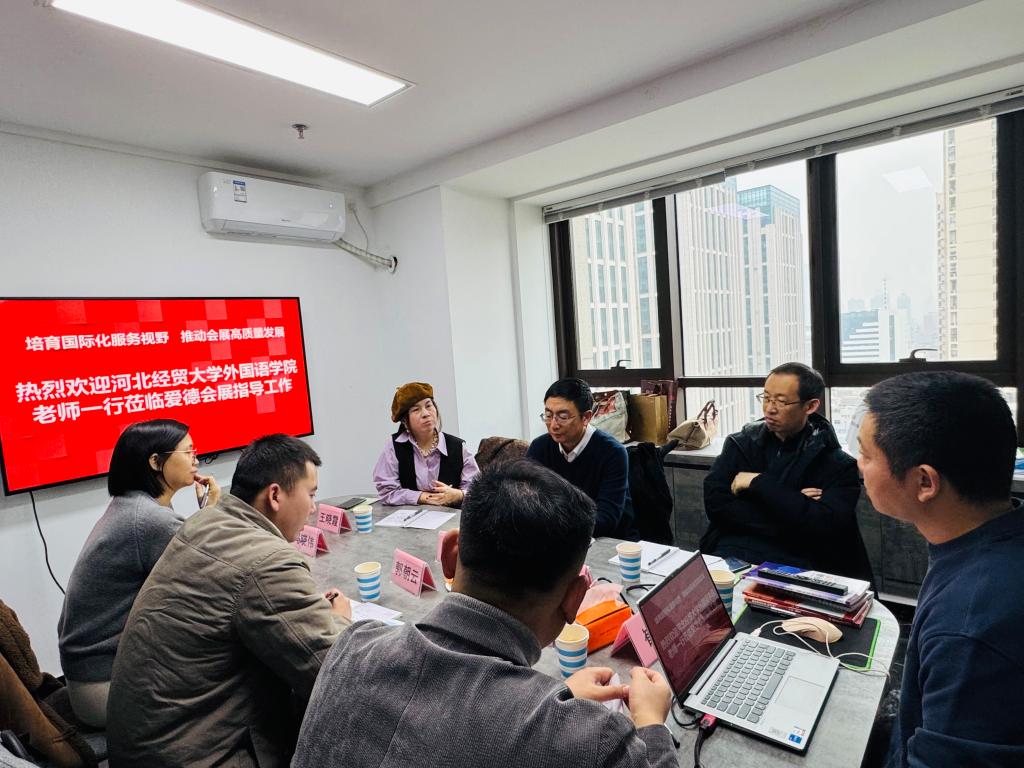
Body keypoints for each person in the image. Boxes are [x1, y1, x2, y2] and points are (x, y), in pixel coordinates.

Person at [293, 460, 678, 768]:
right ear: (575, 599)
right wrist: (651, 724)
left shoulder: (350, 649)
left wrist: (556, 701)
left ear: (449, 555)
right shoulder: (590, 741)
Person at [106, 434, 351, 768]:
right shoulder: (267, 560)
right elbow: (333, 672)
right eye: (310, 494)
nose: (313, 508)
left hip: (145, 743)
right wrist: (340, 619)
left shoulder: (206, 521)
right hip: (194, 753)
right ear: (275, 495)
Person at [858, 372, 1024, 767]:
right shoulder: (993, 541)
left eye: (866, 455)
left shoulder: (969, 623)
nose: (858, 466)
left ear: (924, 482)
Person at [57, 418, 220, 728]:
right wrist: (213, 514)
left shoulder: (132, 507)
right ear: (156, 462)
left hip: (92, 678)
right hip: (106, 688)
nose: (196, 460)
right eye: (188, 452)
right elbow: (214, 573)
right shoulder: (148, 520)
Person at [700, 362, 871, 580]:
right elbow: (717, 506)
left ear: (810, 406)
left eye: (781, 401)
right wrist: (794, 503)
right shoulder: (740, 444)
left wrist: (759, 484)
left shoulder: (837, 463)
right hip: (734, 554)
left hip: (802, 564)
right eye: (766, 398)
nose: (770, 408)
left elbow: (825, 526)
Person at [527, 378, 637, 539]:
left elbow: (606, 520)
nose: (553, 425)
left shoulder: (612, 452)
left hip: (611, 541)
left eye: (563, 417)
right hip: (557, 538)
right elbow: (526, 502)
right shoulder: (539, 447)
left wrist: (549, 523)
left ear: (586, 417)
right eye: (548, 415)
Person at [373, 381, 480, 507]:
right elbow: (387, 492)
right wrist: (422, 497)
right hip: (408, 518)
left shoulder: (457, 447)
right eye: (416, 409)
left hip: (453, 518)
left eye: (428, 406)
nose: (426, 414)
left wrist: (458, 495)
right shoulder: (394, 447)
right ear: (405, 420)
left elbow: (478, 491)